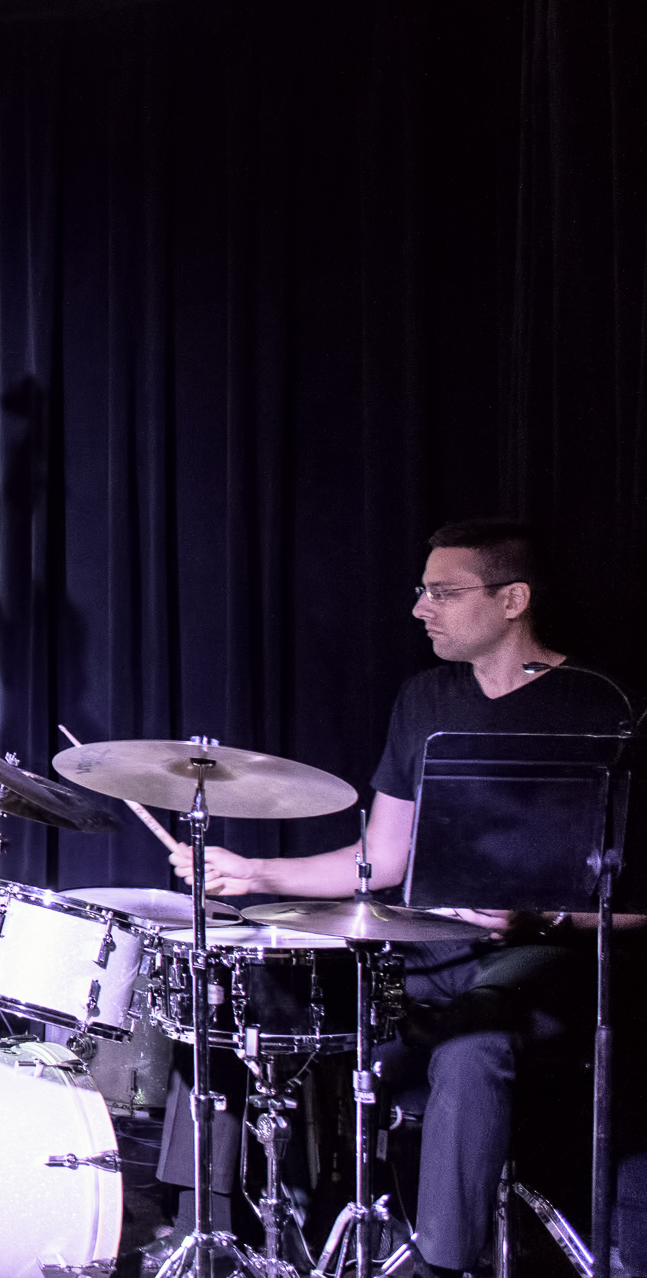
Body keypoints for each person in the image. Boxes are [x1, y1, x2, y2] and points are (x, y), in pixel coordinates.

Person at [175, 519, 635, 1276]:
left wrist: (548, 916)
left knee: (471, 1046)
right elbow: (380, 858)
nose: (422, 608)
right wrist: (251, 874)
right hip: (431, 942)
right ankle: (225, 1234)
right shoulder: (424, 699)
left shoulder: (604, 708)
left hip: (547, 955)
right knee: (234, 993)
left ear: (513, 598)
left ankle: (441, 1264)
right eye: (421, 591)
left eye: (444, 592)